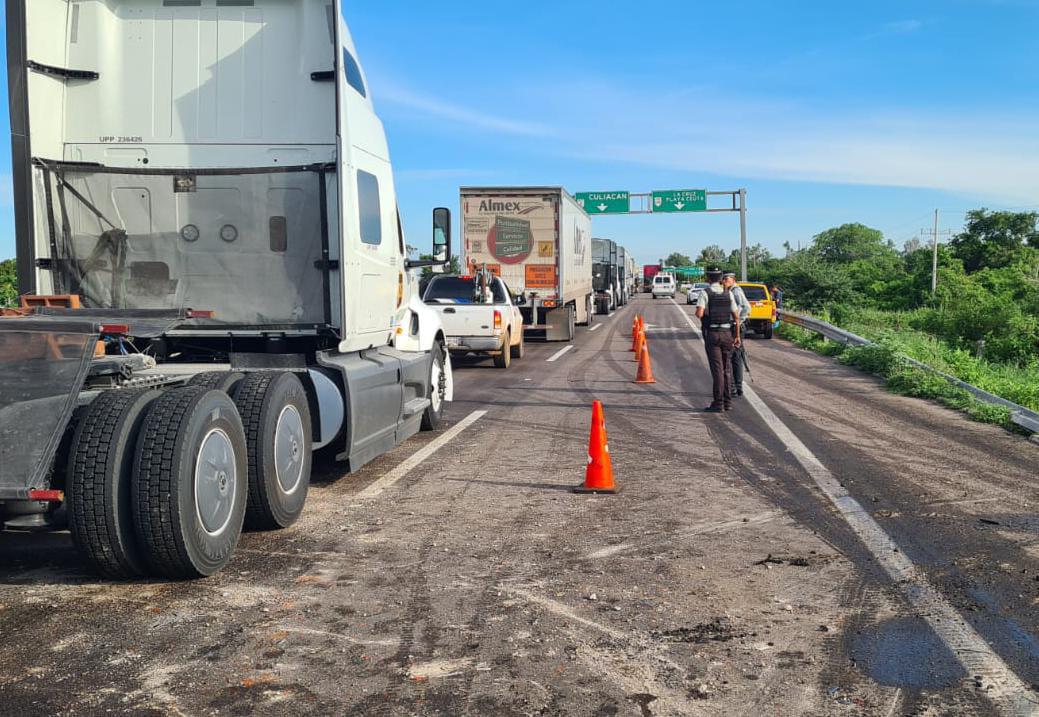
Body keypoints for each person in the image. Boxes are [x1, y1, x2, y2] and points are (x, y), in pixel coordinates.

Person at [695, 268, 741, 412]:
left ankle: (718, 403)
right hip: (727, 334)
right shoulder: (728, 293)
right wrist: (737, 336)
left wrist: (708, 314)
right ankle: (728, 403)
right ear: (721, 278)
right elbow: (736, 317)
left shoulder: (705, 293)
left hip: (713, 334)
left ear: (708, 279)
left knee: (717, 370)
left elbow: (699, 313)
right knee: (727, 369)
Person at [722, 272, 751, 396]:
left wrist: (738, 319)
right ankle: (737, 387)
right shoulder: (732, 290)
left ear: (733, 279)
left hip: (735, 327)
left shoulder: (735, 291)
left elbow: (746, 307)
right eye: (723, 279)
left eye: (726, 279)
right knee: (737, 357)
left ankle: (734, 387)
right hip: (736, 326)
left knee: (732, 357)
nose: (724, 281)